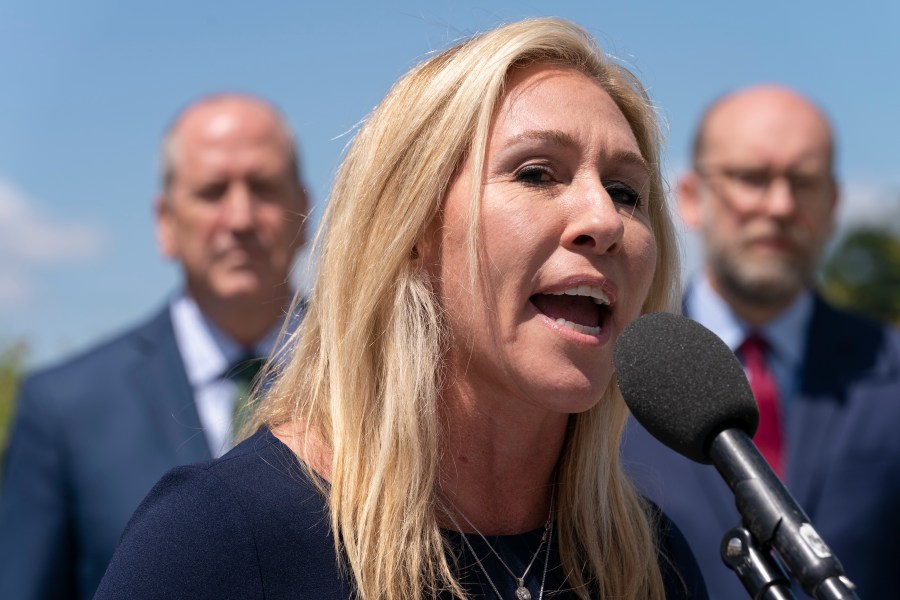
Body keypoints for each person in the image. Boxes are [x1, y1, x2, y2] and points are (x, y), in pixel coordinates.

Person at [95, 18, 708, 600]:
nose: (603, 220)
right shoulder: (217, 538)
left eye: (627, 192)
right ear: (412, 225)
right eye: (537, 173)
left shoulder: (651, 563)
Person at [0, 94, 309, 599]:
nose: (240, 218)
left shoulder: (386, 380)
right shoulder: (64, 410)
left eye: (264, 188)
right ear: (165, 222)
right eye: (211, 192)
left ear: (306, 211)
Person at [621, 85, 900, 598]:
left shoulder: (892, 369)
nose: (779, 204)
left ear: (833, 203)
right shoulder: (613, 378)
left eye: (804, 180)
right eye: (751, 178)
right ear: (690, 197)